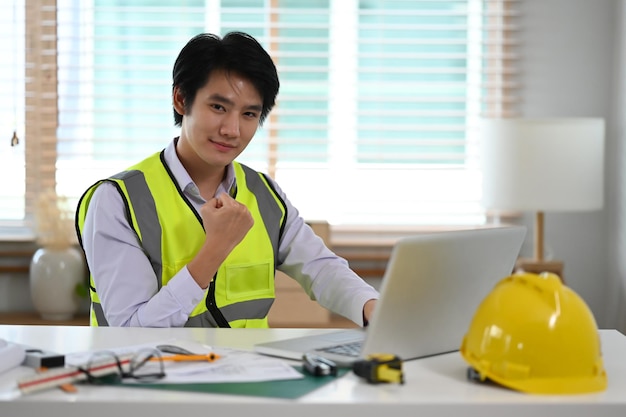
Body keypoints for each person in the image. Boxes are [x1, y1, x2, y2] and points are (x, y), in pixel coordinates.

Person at [75, 32, 379, 328]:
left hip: (253, 372)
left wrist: (373, 309)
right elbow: (131, 330)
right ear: (181, 100)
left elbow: (321, 268)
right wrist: (215, 249)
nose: (232, 129)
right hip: (156, 375)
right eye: (218, 107)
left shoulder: (264, 193)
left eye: (248, 114)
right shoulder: (117, 200)